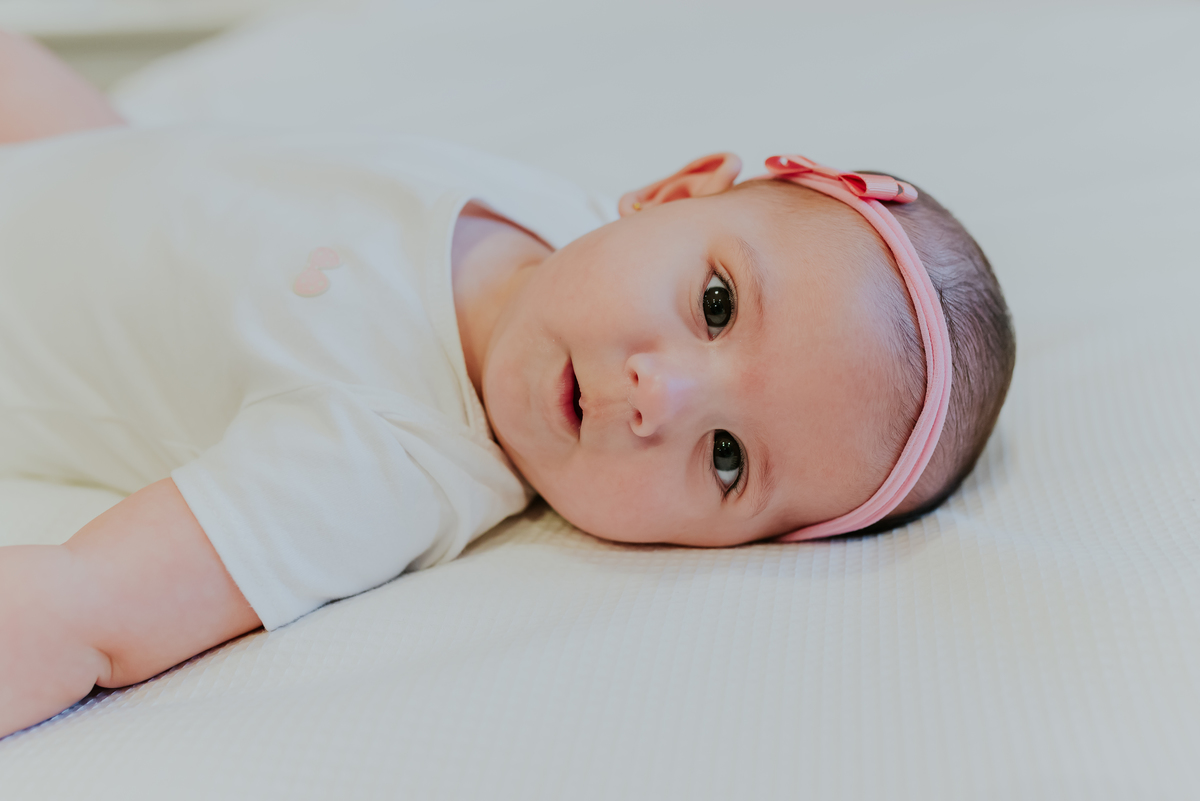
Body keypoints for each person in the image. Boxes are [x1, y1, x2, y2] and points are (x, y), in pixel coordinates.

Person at [0, 30, 1014, 737]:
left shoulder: (385, 460)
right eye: (716, 305)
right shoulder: (549, 212)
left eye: (728, 459)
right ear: (673, 191)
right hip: (82, 156)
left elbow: (92, 613)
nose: (659, 398)